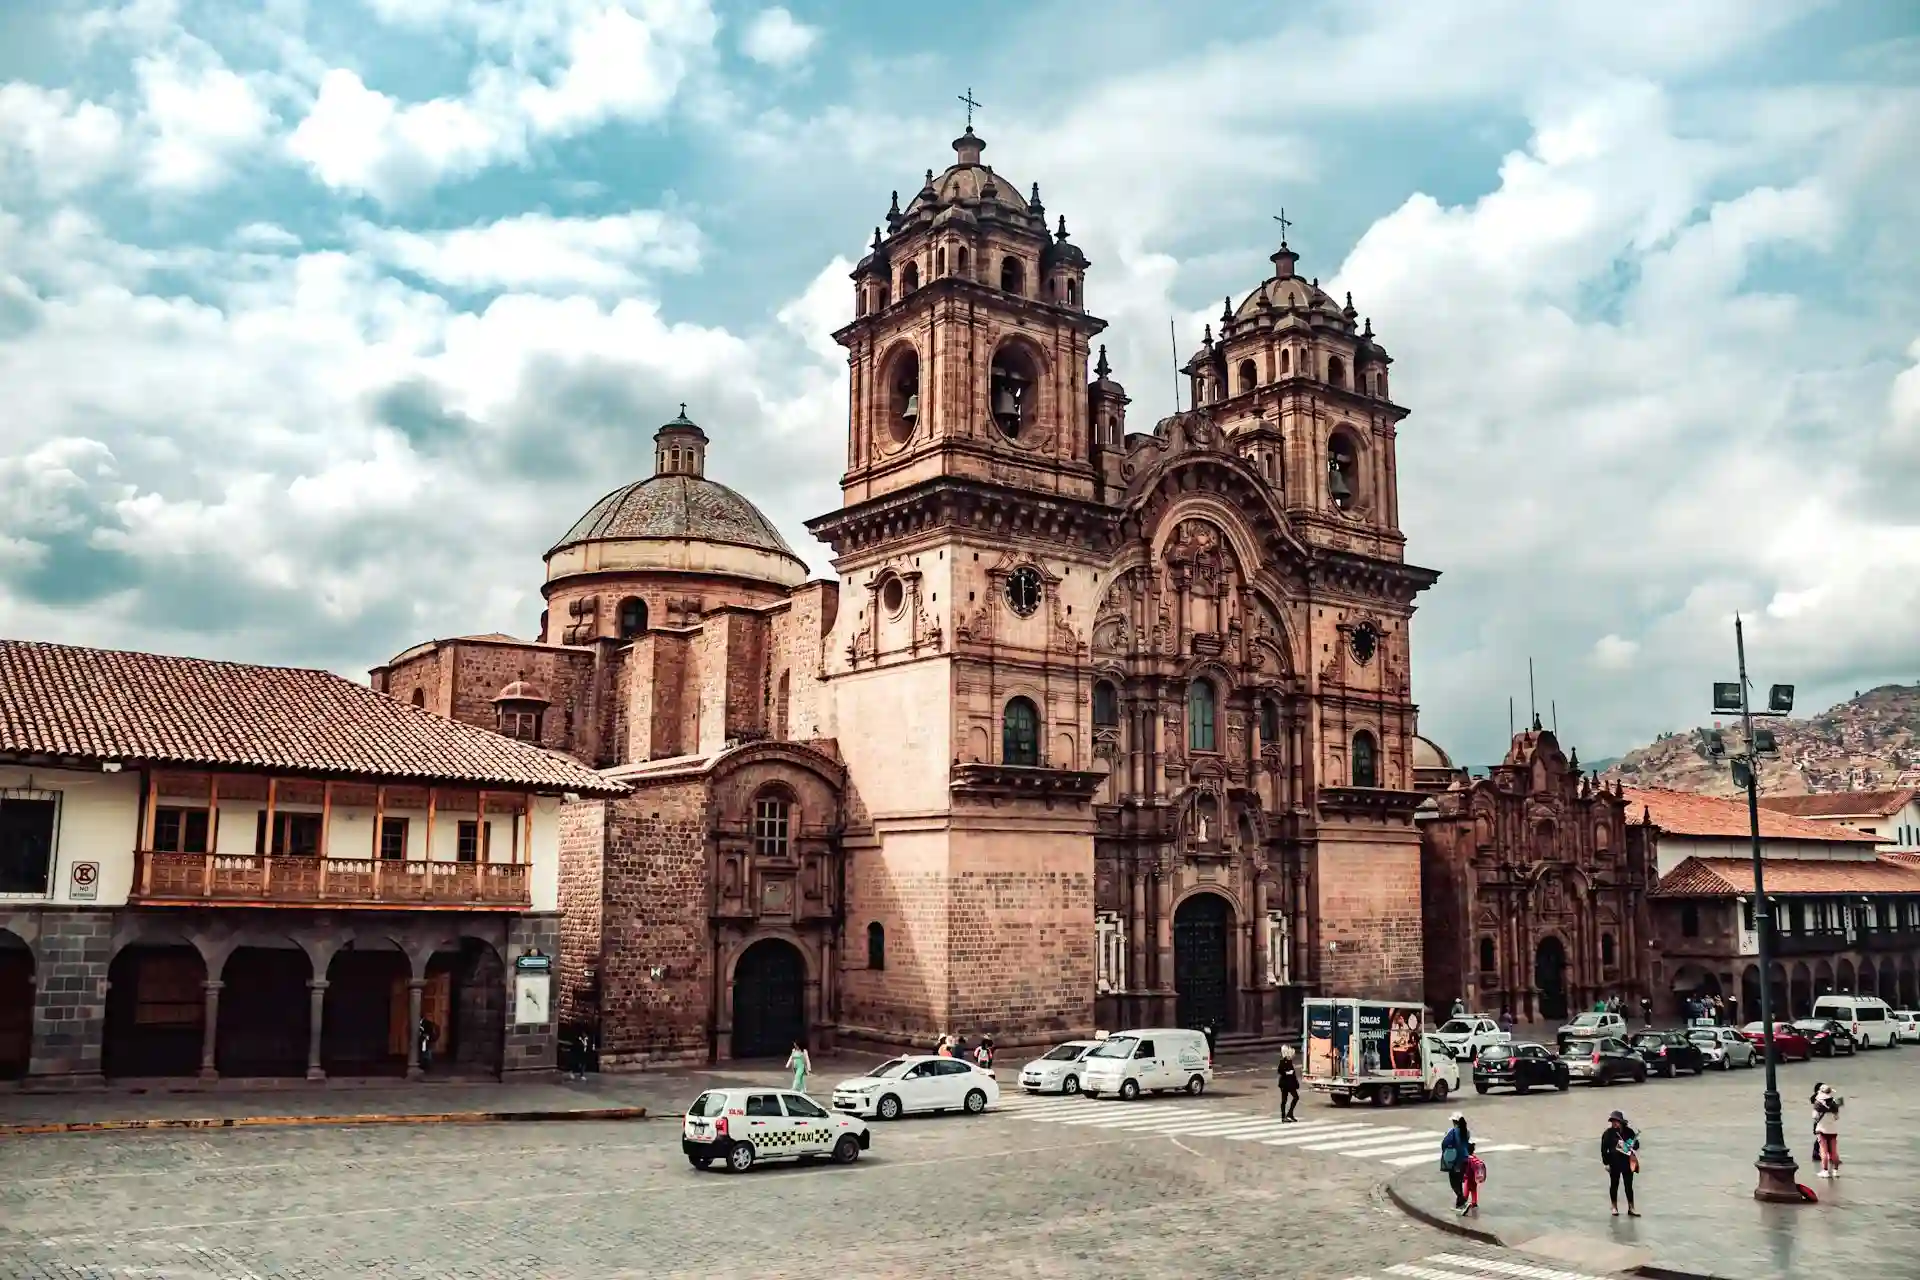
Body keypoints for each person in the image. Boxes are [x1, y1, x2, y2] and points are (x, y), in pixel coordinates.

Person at [1601, 1110, 1640, 1217]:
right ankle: (1614, 1207)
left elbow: (1636, 1144)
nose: (1614, 1123)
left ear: (1621, 1121)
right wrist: (1606, 1163)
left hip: (1627, 1163)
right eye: (1612, 1121)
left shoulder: (1629, 1132)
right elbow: (1603, 1149)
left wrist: (1633, 1145)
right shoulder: (1608, 1134)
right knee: (1614, 1185)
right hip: (1614, 1163)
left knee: (1629, 1186)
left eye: (1616, 1121)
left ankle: (1631, 1208)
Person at [1441, 1112, 1475, 1214]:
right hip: (1464, 1159)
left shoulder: (1453, 1131)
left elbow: (1444, 1144)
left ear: (1454, 1121)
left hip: (1455, 1160)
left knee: (1454, 1183)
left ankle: (1462, 1201)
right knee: (1459, 1181)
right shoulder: (1466, 1131)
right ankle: (1459, 1204)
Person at [1811, 1082, 1843, 1178]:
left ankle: (1825, 1171)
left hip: (1822, 1129)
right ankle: (1835, 1171)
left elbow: (1815, 1117)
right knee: (1834, 1151)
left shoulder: (1817, 1103)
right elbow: (1836, 1117)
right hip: (1833, 1130)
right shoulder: (1834, 1103)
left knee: (1823, 1151)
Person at [1276, 1046, 1301, 1122]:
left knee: (1295, 1097)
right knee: (1284, 1100)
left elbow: (1293, 1074)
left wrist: (1296, 1083)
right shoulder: (1283, 1061)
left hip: (1290, 1084)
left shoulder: (1289, 1061)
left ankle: (1290, 1114)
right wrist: (1287, 1073)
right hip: (1284, 1084)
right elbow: (1280, 1071)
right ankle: (1284, 1117)